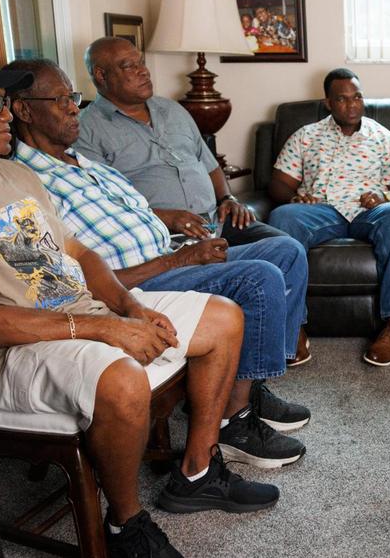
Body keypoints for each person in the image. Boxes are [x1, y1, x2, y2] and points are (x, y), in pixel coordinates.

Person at [0, 42, 280, 558]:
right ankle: (126, 523)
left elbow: (78, 256)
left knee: (223, 317)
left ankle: (198, 470)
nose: (5, 113)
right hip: (6, 352)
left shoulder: (10, 177)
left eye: (5, 101)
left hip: (81, 315)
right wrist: (105, 329)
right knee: (122, 380)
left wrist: (130, 306)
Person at [6, 58, 311, 470]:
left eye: (73, 98)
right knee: (260, 278)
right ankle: (232, 423)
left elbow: (137, 212)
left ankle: (248, 382)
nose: (73, 108)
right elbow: (62, 282)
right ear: (22, 110)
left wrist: (176, 225)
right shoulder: (24, 181)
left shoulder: (84, 164)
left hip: (173, 251)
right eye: (60, 100)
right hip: (141, 282)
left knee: (286, 250)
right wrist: (178, 259)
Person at [74, 37, 312, 365]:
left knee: (289, 249)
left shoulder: (173, 109)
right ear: (101, 76)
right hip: (169, 236)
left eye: (141, 62)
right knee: (263, 271)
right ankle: (271, 348)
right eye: (129, 66)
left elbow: (210, 164)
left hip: (215, 216)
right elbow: (103, 203)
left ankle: (284, 342)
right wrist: (164, 216)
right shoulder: (87, 130)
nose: (143, 72)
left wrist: (228, 197)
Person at [266, 68, 390, 366]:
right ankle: (293, 327)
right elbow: (278, 184)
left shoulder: (382, 137)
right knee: (282, 217)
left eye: (357, 97)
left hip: (370, 210)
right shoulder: (306, 136)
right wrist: (296, 197)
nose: (352, 105)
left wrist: (384, 197)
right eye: (343, 99)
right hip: (321, 210)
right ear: (328, 103)